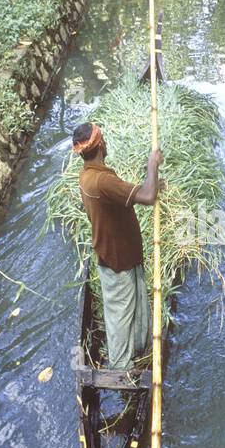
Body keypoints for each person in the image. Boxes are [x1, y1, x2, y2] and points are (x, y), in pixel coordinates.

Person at [72, 120, 163, 369]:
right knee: (120, 317)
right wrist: (151, 165)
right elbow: (147, 196)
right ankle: (121, 371)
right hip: (117, 260)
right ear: (100, 145)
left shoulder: (87, 177)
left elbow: (119, 201)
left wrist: (153, 183)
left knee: (132, 310)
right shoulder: (102, 181)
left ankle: (137, 353)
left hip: (122, 254)